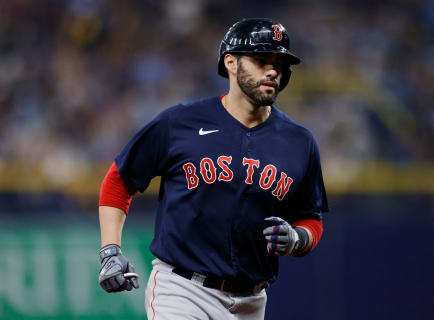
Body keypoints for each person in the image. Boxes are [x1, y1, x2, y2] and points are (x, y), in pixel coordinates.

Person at [97, 18, 328, 320]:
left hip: (252, 301)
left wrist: (297, 238)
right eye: (261, 60)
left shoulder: (300, 142)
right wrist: (110, 250)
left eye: (280, 63)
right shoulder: (181, 123)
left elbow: (311, 217)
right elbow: (119, 180)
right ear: (231, 63)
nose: (273, 70)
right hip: (182, 290)